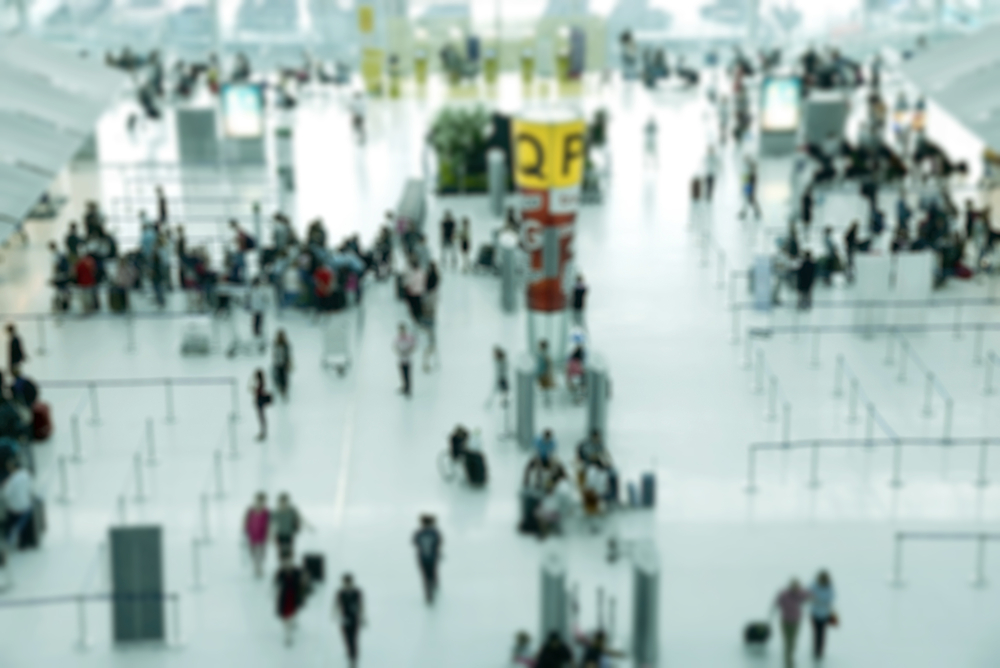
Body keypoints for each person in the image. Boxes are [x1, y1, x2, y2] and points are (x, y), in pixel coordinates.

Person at [774, 578, 810, 668]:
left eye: (796, 586)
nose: (795, 588)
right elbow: (777, 603)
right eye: (794, 586)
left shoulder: (800, 594)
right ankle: (788, 661)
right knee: (787, 642)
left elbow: (809, 596)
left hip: (796, 621)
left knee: (793, 642)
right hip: (785, 621)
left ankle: (790, 658)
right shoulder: (784, 594)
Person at [274, 555, 308, 646]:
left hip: (294, 596)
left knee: (293, 614)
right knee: (285, 618)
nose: (287, 564)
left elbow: (303, 581)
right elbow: (276, 583)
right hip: (284, 597)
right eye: (285, 563)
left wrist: (303, 590)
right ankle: (288, 636)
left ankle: (292, 625)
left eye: (289, 562)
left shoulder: (297, 571)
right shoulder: (281, 572)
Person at [335, 573, 365, 668]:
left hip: (354, 618)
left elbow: (361, 605)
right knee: (347, 638)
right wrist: (336, 615)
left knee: (353, 639)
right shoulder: (341, 593)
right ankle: (350, 654)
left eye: (349, 582)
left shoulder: (357, 592)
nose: (347, 585)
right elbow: (337, 604)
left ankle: (353, 658)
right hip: (345, 619)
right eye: (345, 583)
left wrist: (362, 617)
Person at [2, 460, 33, 548]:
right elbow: (30, 489)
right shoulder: (26, 474)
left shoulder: (11, 480)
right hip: (26, 506)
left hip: (14, 508)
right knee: (25, 522)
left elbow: (6, 494)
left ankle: (9, 537)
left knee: (10, 522)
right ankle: (23, 543)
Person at [412, 514, 443, 604]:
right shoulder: (434, 533)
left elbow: (415, 542)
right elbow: (439, 543)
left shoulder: (419, 533)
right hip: (433, 556)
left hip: (422, 557)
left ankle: (429, 594)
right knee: (432, 572)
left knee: (425, 575)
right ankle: (434, 587)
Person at [809, 570, 836, 660]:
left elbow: (831, 598)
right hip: (815, 613)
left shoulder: (829, 587)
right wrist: (816, 600)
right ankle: (816, 650)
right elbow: (809, 595)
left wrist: (819, 600)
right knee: (816, 633)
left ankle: (819, 651)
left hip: (824, 614)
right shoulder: (814, 585)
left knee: (822, 633)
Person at [244, 492, 270, 578]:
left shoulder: (266, 512)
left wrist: (269, 534)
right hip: (252, 534)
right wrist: (245, 530)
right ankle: (256, 566)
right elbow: (246, 520)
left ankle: (260, 566)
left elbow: (269, 523)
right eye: (259, 501)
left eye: (262, 501)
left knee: (262, 553)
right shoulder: (250, 510)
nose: (260, 503)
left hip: (262, 534)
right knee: (253, 552)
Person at [271, 492, 304, 560]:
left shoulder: (291, 511)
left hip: (289, 534)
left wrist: (307, 526)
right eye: (282, 502)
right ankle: (282, 563)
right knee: (281, 551)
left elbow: (300, 518)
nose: (283, 503)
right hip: (280, 534)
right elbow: (271, 524)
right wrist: (271, 536)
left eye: (285, 502)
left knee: (290, 551)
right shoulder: (276, 512)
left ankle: (290, 562)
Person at [393, 323, 416, 396]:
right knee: (402, 374)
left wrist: (408, 351)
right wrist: (399, 352)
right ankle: (404, 387)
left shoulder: (409, 338)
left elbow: (413, 346)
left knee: (408, 374)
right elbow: (394, 347)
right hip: (401, 359)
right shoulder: (397, 338)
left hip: (408, 359)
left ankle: (408, 389)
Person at [250, 369, 272, 440]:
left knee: (261, 418)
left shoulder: (260, 383)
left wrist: (255, 391)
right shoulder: (260, 383)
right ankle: (263, 432)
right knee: (261, 418)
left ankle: (263, 433)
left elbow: (260, 393)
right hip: (260, 402)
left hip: (260, 402)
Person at [249, 276, 269, 352]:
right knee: (256, 324)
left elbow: (265, 299)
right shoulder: (253, 290)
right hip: (256, 310)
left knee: (260, 324)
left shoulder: (261, 290)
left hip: (260, 310)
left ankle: (260, 338)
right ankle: (257, 337)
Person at [272, 330, 293, 400]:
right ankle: (281, 389)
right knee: (279, 377)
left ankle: (284, 391)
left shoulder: (285, 345)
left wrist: (288, 363)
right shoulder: (276, 344)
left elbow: (287, 355)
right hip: (278, 364)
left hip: (284, 364)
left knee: (284, 378)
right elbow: (274, 354)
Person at [535, 340, 554, 406]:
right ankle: (546, 400)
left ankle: (547, 401)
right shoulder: (543, 354)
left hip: (544, 373)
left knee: (545, 388)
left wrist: (547, 373)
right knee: (544, 388)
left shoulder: (544, 354)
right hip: (542, 373)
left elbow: (547, 365)